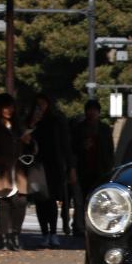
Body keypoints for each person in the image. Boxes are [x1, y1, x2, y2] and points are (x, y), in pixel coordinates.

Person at [0, 94, 32, 252]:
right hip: (1, 169)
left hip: (18, 170)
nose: (8, 110)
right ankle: (4, 237)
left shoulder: (19, 126)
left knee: (20, 202)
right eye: (5, 107)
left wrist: (28, 142)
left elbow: (32, 150)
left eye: (11, 107)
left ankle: (16, 234)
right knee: (3, 204)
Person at [25, 92, 73, 248]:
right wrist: (32, 124)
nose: (41, 108)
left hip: (54, 164)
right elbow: (24, 140)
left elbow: (65, 143)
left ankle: (53, 232)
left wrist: (70, 166)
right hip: (37, 163)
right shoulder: (31, 120)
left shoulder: (57, 120)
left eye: (43, 104)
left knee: (51, 200)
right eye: (38, 105)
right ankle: (44, 232)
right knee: (40, 200)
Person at [71, 98, 113, 234]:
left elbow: (109, 150)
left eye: (95, 110)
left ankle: (95, 226)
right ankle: (79, 226)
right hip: (82, 167)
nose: (92, 113)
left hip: (100, 168)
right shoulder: (78, 129)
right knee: (80, 200)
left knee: (98, 199)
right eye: (90, 110)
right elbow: (72, 148)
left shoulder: (105, 129)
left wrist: (109, 168)